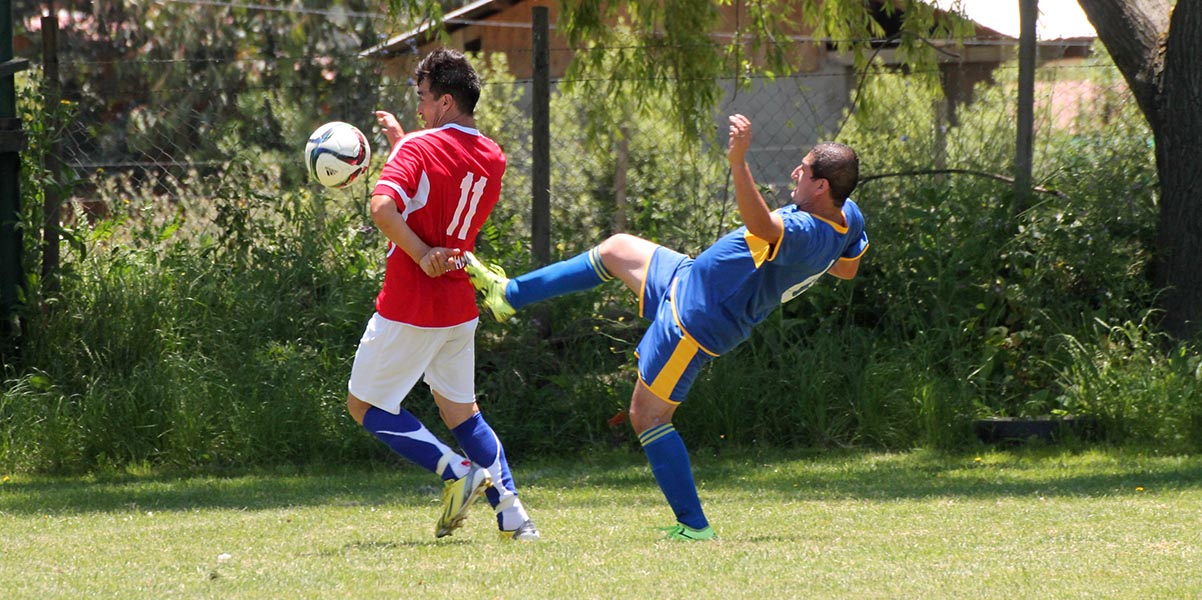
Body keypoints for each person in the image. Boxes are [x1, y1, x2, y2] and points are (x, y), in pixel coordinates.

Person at [464, 114, 867, 541]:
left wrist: (738, 161)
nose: (795, 173)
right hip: (689, 278)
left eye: (802, 171)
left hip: (696, 319)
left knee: (647, 415)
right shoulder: (847, 216)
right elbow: (847, 269)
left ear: (822, 186)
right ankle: (508, 295)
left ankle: (694, 527)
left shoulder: (808, 231)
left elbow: (762, 226)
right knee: (617, 249)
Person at [345, 48, 538, 541]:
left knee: (365, 406)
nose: (420, 110)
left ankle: (456, 472)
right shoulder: (493, 156)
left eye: (425, 99)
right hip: (457, 307)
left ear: (447, 101)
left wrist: (420, 250)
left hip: (411, 304)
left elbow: (383, 208)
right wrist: (407, 142)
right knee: (462, 412)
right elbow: (448, 173)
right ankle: (514, 515)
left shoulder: (419, 150)